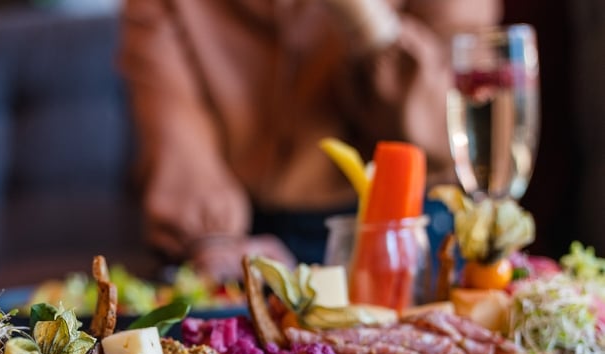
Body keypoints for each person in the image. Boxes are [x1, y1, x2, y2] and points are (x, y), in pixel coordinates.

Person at [118, 0, 500, 281]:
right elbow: (174, 123)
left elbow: (448, 129)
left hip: (411, 232)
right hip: (243, 239)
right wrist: (212, 237)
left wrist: (365, 18)